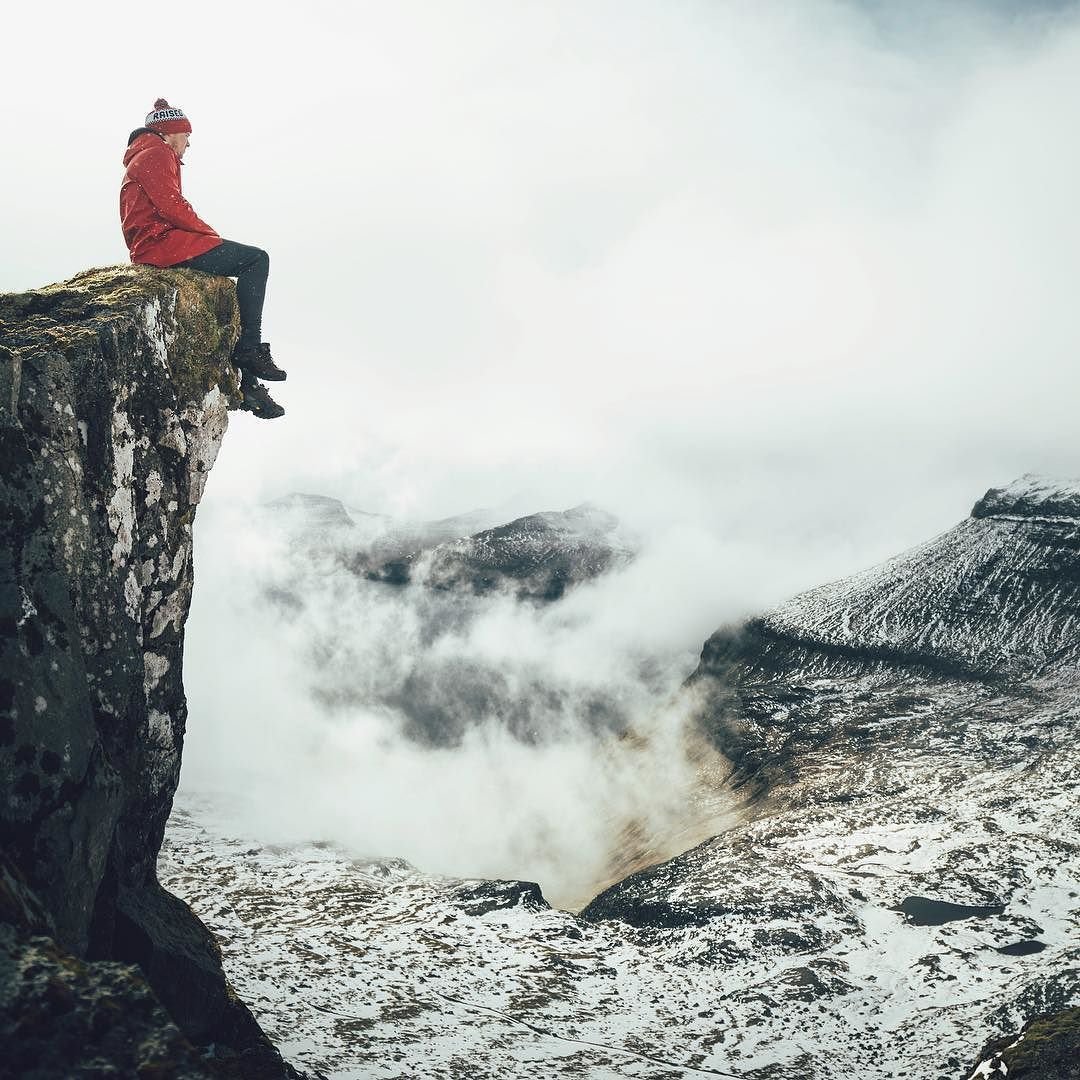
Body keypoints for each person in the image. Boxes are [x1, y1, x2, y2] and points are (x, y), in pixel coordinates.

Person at [120, 99, 286, 420]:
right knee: (255, 261)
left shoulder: (146, 154)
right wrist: (209, 235)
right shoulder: (157, 152)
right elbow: (172, 206)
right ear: (170, 133)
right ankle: (250, 350)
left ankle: (249, 384)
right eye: (186, 136)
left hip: (157, 245)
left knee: (233, 292)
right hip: (162, 246)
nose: (188, 144)